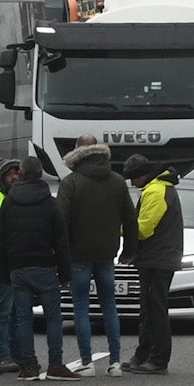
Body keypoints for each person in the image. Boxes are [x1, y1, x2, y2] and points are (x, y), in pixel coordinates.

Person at [0, 155, 77, 379]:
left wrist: (3, 273)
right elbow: (61, 240)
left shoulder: (9, 202)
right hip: (45, 266)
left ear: (21, 173)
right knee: (54, 318)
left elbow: (0, 240)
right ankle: (56, 365)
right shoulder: (49, 202)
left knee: (23, 319)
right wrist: (65, 273)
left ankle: (28, 365)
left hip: (18, 267)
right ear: (40, 173)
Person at [55, 144, 132, 373]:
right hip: (107, 253)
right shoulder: (117, 181)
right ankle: (115, 362)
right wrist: (129, 250)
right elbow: (130, 217)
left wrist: (60, 254)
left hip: (78, 254)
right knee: (109, 305)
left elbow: (60, 220)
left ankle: (87, 362)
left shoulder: (71, 182)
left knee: (81, 307)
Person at [127, 161, 183, 377]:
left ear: (144, 174)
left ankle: (158, 360)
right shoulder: (159, 188)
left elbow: (144, 228)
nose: (133, 183)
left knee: (155, 310)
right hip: (158, 257)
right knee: (149, 310)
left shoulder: (156, 191)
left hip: (157, 259)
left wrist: (120, 229)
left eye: (134, 178)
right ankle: (143, 356)